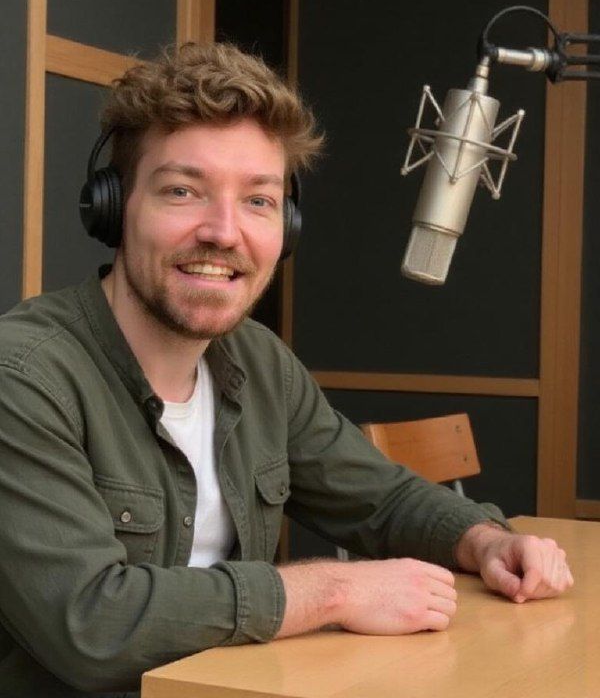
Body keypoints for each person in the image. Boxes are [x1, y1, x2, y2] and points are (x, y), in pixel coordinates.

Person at [0, 42, 572, 698]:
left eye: (258, 201)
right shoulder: (24, 377)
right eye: (183, 190)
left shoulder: (258, 362)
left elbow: (382, 498)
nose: (223, 231)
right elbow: (90, 623)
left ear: (287, 227)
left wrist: (483, 539)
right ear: (112, 207)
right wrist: (328, 591)